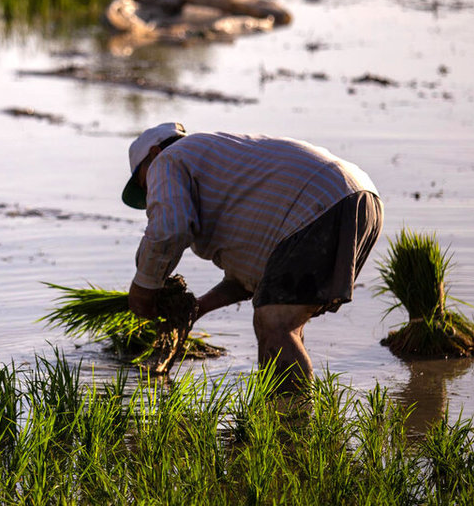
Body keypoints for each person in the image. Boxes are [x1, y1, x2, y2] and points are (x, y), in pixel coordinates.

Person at [123, 123, 382, 391]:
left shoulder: (168, 159)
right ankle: (288, 420)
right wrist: (197, 309)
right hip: (359, 197)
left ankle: (289, 426)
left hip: (325, 200)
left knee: (275, 325)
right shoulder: (217, 167)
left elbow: (169, 229)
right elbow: (253, 279)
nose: (150, 193)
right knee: (283, 317)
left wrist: (144, 288)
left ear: (153, 153)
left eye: (145, 184)